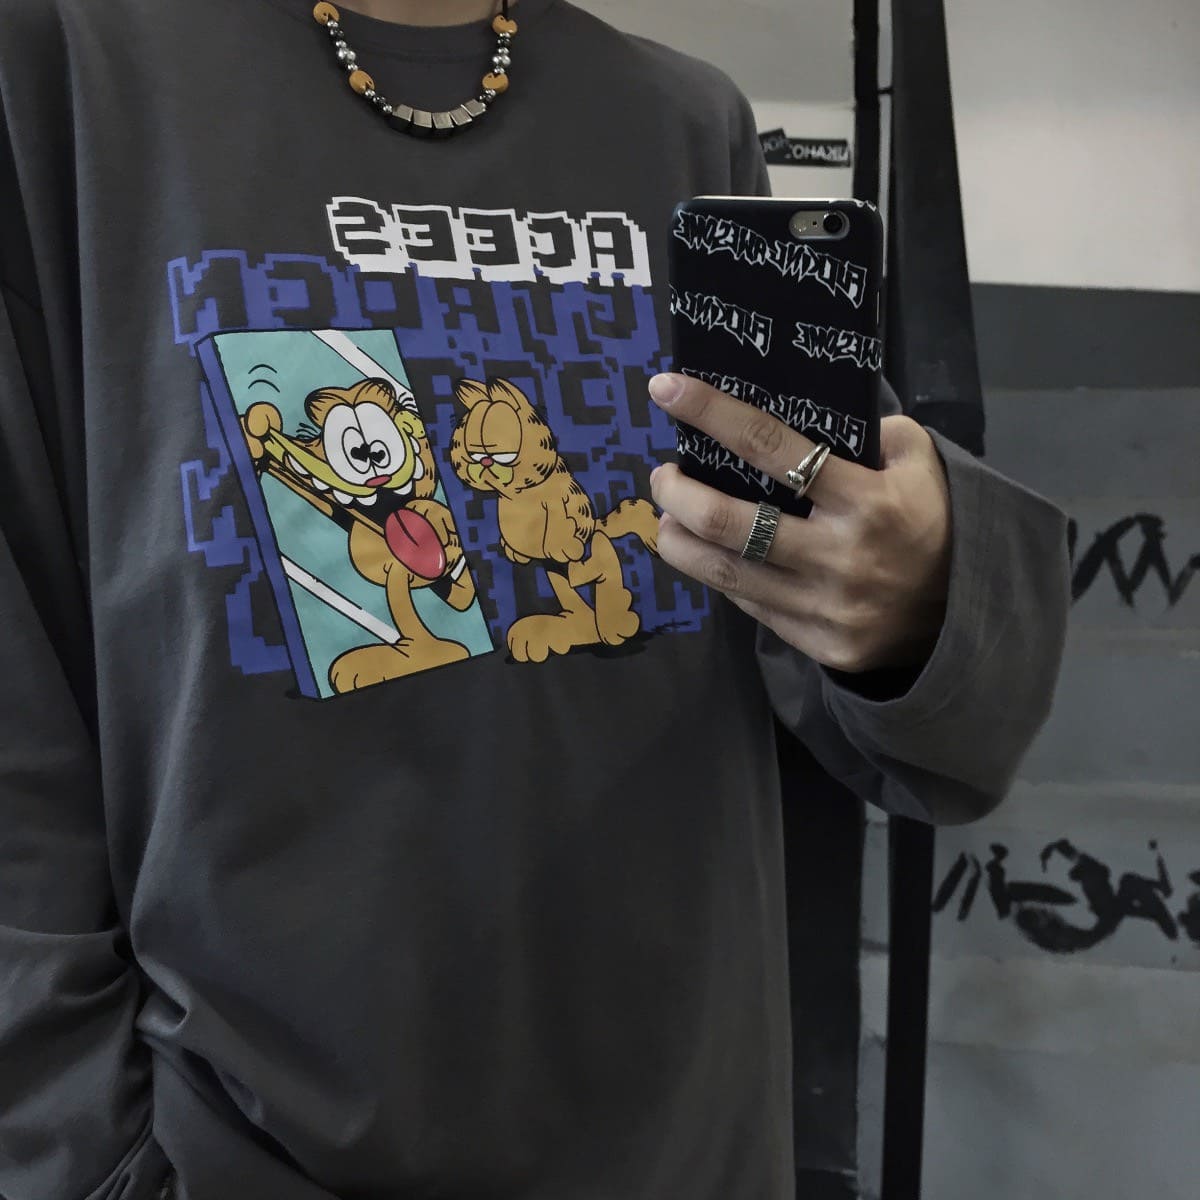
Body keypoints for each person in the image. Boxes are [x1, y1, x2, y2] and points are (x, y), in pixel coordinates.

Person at [0, 0, 1069, 1196]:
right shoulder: (57, 73)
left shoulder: (681, 122)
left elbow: (894, 665)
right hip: (233, 1154)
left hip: (686, 1147)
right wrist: (98, 1165)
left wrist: (916, 597)